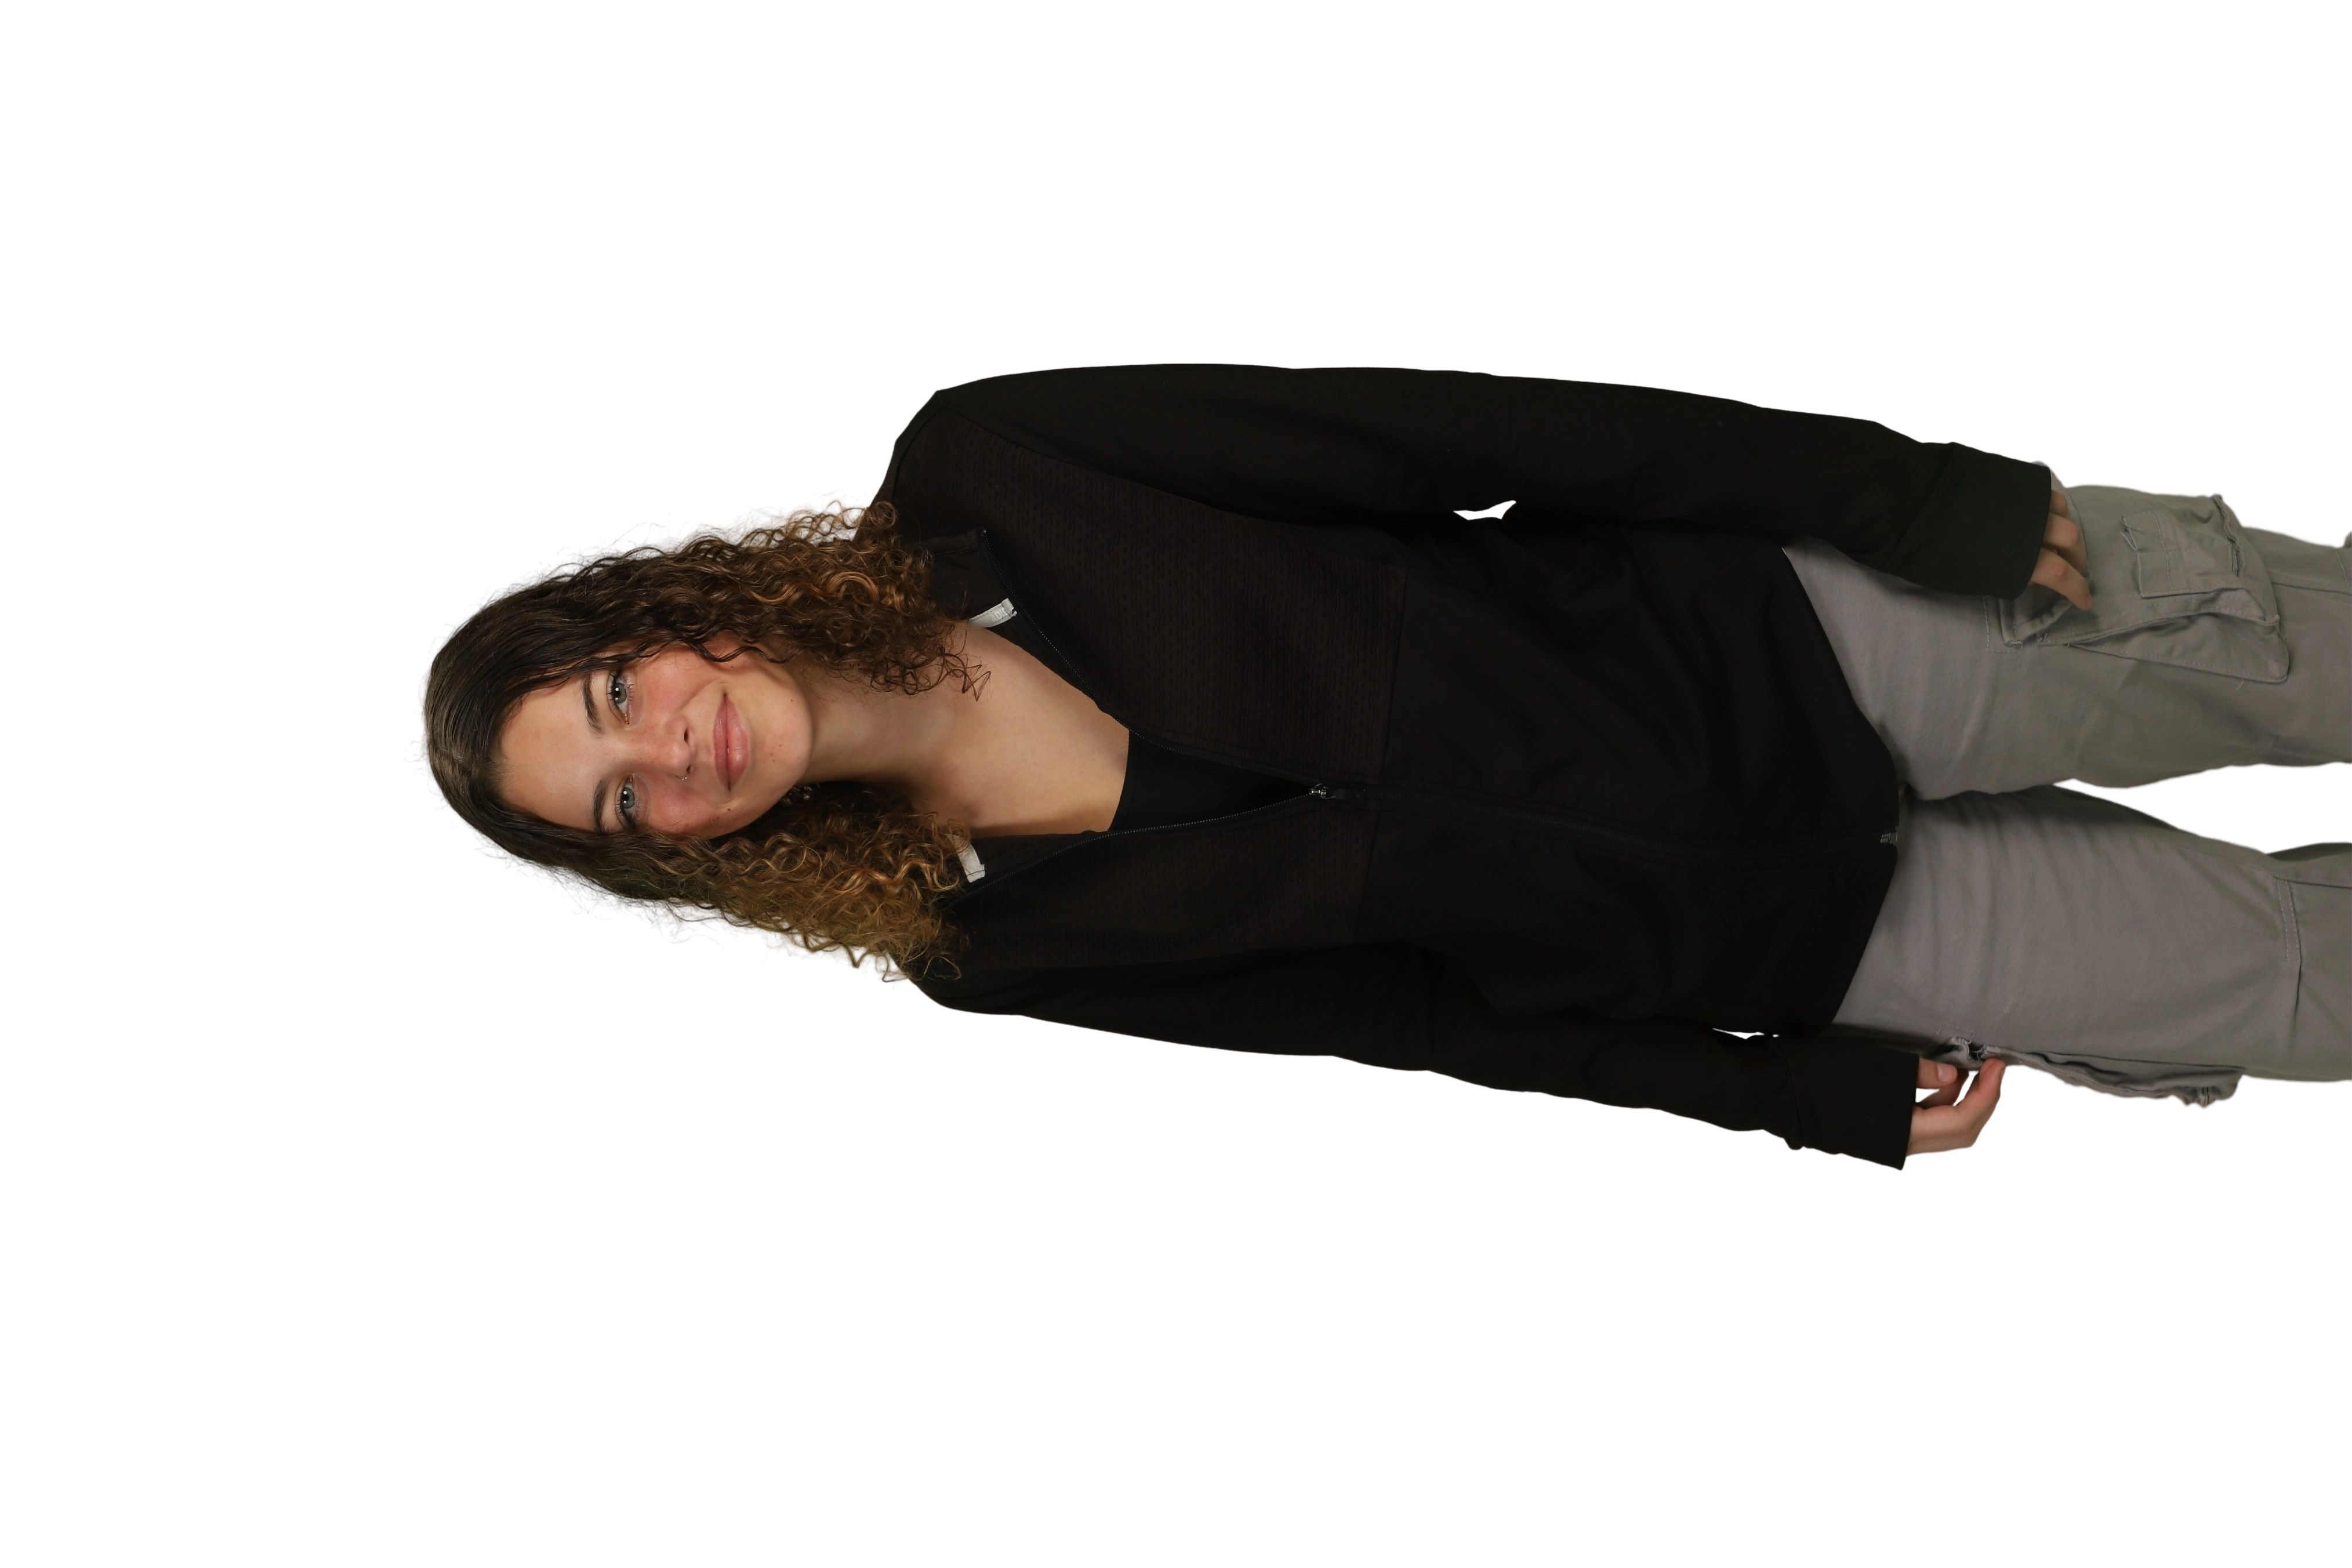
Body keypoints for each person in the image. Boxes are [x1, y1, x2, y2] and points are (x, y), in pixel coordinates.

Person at [405, 362, 2352, 1174]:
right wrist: (1798, 1097)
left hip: (1819, 640)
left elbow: (1456, 437)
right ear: (676, 858)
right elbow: (1417, 1019)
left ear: (666, 613)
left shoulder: (997, 467)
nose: (669, 752)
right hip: (1812, 943)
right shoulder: (977, 945)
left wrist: (1911, 498)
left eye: (615, 695)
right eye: (625, 802)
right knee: (2310, 993)